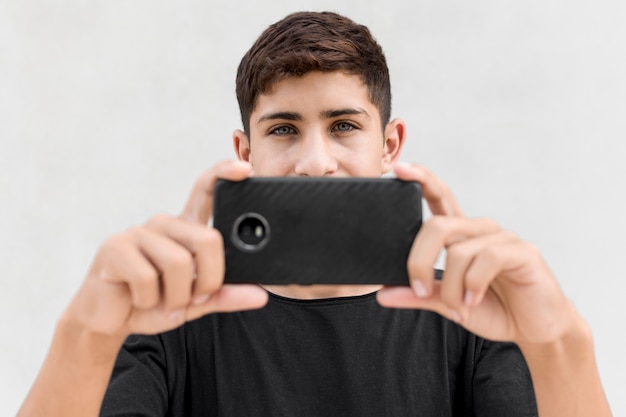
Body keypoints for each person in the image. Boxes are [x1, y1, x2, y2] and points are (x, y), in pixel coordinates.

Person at [17, 11, 611, 417]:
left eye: (344, 125)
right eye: (283, 129)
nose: (315, 162)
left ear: (390, 145)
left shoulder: (472, 318)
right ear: (245, 153)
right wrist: (85, 336)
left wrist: (559, 338)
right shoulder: (169, 325)